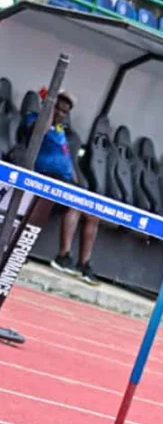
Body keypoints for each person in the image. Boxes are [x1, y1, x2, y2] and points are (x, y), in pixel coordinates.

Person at [20, 90, 102, 285]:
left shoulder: (60, 130)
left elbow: (67, 161)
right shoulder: (34, 119)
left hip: (64, 183)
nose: (60, 114)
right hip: (43, 180)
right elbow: (40, 131)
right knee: (74, 204)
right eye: (57, 108)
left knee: (93, 213)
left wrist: (78, 185)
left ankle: (84, 265)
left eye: (65, 111)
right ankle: (63, 256)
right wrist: (48, 105)